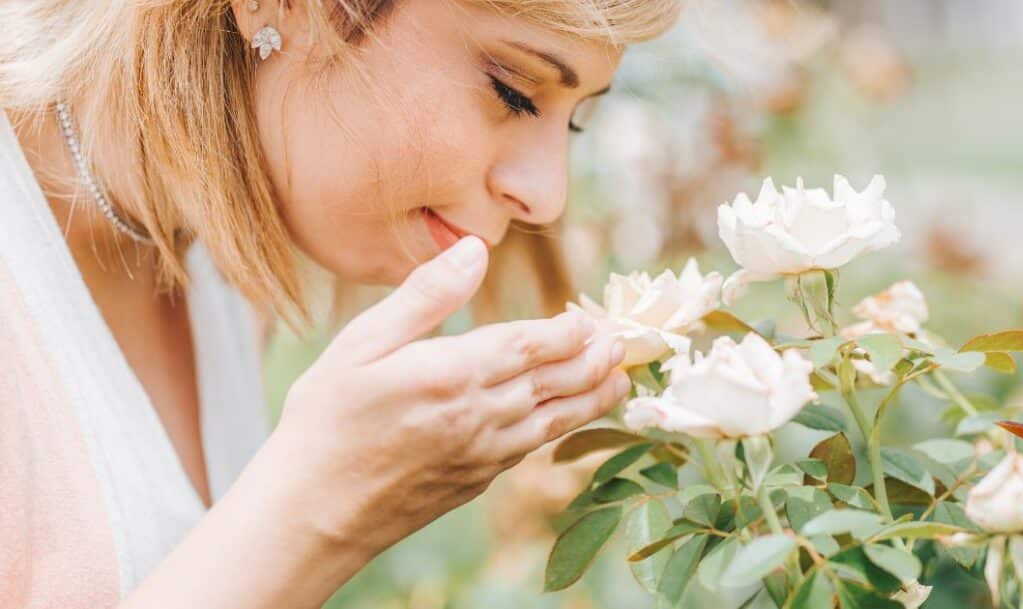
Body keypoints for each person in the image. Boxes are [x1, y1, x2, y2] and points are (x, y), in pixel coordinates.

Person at [0, 1, 679, 607]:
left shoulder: (229, 273)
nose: (547, 194)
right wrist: (317, 512)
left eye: (578, 120)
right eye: (514, 92)